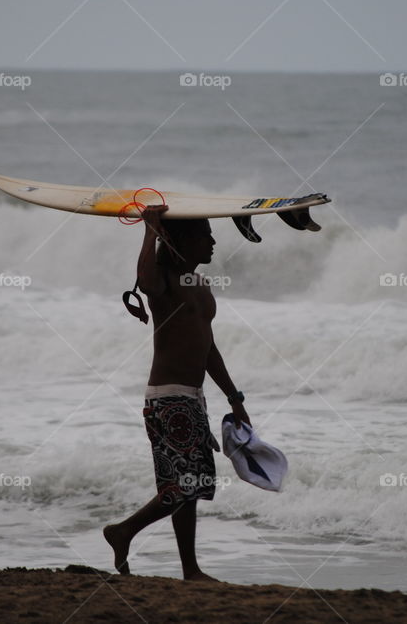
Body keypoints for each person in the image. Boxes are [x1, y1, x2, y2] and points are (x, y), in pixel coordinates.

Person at [103, 204, 251, 582]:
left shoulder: (200, 288)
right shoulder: (165, 281)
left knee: (195, 483)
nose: (214, 241)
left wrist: (235, 398)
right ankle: (122, 532)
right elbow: (146, 280)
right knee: (181, 486)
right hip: (167, 398)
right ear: (183, 242)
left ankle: (190, 569)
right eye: (206, 235)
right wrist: (151, 229)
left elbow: (208, 348)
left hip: (192, 398)